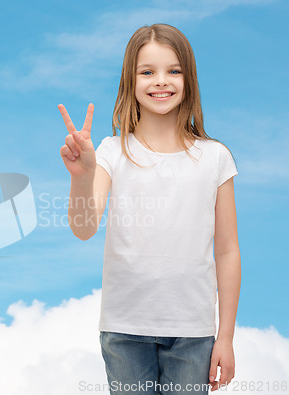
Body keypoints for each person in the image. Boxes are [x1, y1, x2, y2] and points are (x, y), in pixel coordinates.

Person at [58, 23, 241, 394]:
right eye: (148, 72)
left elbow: (227, 250)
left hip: (194, 334)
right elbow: (83, 227)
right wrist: (82, 175)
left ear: (189, 78)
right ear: (131, 80)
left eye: (174, 70)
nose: (162, 81)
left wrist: (225, 338)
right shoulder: (111, 152)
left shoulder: (215, 157)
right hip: (124, 330)